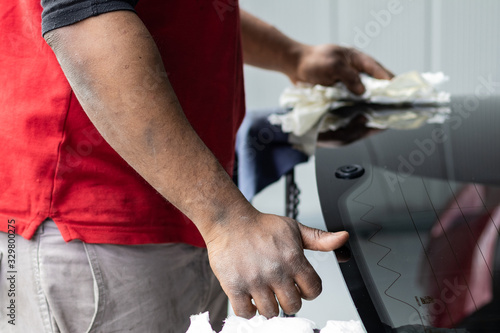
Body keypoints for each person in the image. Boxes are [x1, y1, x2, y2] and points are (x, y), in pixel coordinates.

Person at [0, 1, 393, 332]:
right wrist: (226, 218)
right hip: (94, 223)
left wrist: (293, 55)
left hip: (183, 216)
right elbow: (84, 18)